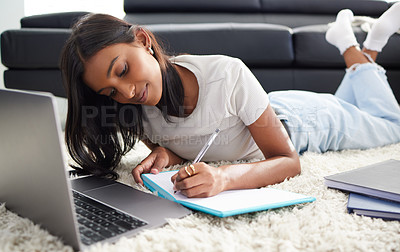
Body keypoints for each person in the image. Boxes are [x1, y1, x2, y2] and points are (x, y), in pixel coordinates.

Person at [60, 5, 400, 198]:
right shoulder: (137, 110)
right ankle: (363, 50)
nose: (127, 92)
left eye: (122, 70)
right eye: (110, 92)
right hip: (264, 109)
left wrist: (224, 179)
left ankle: (355, 47)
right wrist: (167, 153)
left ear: (143, 40)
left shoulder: (225, 74)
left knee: (392, 126)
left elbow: (287, 161)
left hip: (305, 122)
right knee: (359, 110)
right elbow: (195, 138)